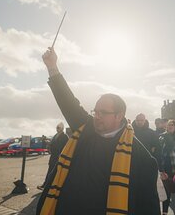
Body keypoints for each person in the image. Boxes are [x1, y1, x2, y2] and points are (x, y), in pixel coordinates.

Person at [36, 47, 160, 215]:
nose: (97, 116)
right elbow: (68, 102)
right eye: (95, 111)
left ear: (119, 115)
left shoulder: (143, 159)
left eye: (104, 112)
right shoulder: (85, 129)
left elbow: (148, 206)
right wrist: (52, 67)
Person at [37, 122, 69, 190]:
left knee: (56, 172)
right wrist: (49, 144)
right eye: (56, 127)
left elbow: (65, 147)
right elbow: (53, 144)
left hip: (59, 157)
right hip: (53, 157)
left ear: (62, 128)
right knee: (50, 171)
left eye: (58, 128)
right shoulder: (55, 135)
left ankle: (48, 186)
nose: (57, 129)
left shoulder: (65, 136)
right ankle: (46, 185)